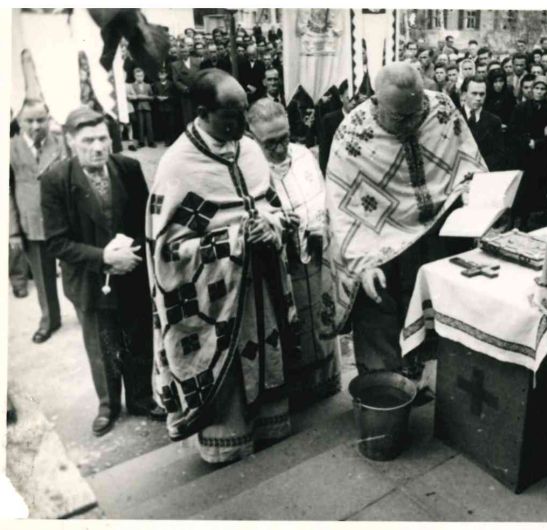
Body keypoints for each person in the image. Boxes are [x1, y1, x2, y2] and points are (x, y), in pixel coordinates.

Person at [147, 69, 295, 462]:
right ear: (202, 113)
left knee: (266, 348)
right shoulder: (178, 165)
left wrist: (272, 224)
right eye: (231, 117)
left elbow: (274, 205)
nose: (241, 125)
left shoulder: (249, 150)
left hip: (260, 282)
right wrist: (233, 241)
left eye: (244, 113)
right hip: (214, 299)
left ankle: (269, 426)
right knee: (226, 368)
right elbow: (168, 251)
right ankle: (228, 444)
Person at [322, 62, 486, 376]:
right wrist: (361, 262)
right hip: (380, 243)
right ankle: (384, 387)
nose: (411, 122)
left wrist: (473, 193)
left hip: (436, 233)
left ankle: (425, 378)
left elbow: (468, 162)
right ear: (376, 101)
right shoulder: (352, 133)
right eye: (400, 117)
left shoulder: (440, 109)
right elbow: (341, 206)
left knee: (436, 312)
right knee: (379, 310)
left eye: (416, 112)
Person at [40, 107, 164, 436]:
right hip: (89, 280)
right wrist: (104, 258)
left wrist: (131, 253)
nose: (98, 147)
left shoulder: (128, 168)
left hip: (132, 271)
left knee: (137, 336)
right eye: (88, 141)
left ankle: (141, 397)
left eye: (103, 138)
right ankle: (108, 404)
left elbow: (145, 221)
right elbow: (56, 242)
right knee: (102, 343)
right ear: (70, 141)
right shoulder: (56, 181)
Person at [246, 99, 342, 409]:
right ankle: (297, 394)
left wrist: (320, 225)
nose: (279, 148)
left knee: (320, 316)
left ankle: (325, 382)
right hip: (280, 264)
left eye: (284, 138)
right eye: (270, 143)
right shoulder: (248, 170)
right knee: (291, 324)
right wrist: (277, 225)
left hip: (316, 254)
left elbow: (324, 197)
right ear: (252, 137)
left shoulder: (303, 156)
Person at [9, 99, 67, 343]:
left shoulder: (61, 143)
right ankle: (50, 319)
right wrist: (12, 231)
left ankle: (87, 315)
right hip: (31, 221)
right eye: (29, 120)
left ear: (48, 118)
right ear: (19, 121)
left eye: (41, 120)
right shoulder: (9, 148)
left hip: (63, 220)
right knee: (43, 277)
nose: (36, 126)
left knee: (76, 274)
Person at [509, 74, 547, 224]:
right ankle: (514, 219)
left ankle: (530, 220)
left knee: (535, 188)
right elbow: (513, 130)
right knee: (519, 188)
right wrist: (526, 141)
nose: (539, 91)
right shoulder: (521, 108)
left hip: (541, 156)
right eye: (537, 88)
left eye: (543, 89)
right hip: (522, 155)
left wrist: (538, 143)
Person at [461, 76, 504, 171]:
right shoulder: (454, 117)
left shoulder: (494, 121)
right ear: (464, 94)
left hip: (484, 172)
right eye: (474, 93)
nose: (478, 98)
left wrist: (480, 168)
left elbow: (498, 154)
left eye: (482, 94)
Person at [171, 46, 201, 126]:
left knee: (198, 114)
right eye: (182, 52)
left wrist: (198, 87)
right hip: (185, 94)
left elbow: (202, 75)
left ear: (189, 52)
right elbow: (176, 80)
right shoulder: (175, 65)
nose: (184, 54)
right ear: (179, 54)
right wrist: (185, 88)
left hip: (197, 92)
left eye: (185, 51)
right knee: (187, 116)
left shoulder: (198, 61)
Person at [126, 67, 156, 148]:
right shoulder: (131, 85)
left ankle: (151, 141)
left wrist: (145, 97)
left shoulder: (148, 85)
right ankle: (141, 142)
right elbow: (130, 96)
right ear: (134, 76)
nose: (140, 77)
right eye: (138, 76)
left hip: (147, 107)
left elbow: (152, 97)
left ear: (144, 76)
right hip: (137, 107)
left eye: (141, 75)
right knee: (140, 125)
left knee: (149, 125)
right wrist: (137, 97)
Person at [153, 67, 178, 145]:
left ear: (166, 75)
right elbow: (153, 95)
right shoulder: (155, 84)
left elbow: (175, 95)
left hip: (170, 106)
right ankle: (167, 140)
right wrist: (157, 97)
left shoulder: (171, 84)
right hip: (161, 107)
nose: (161, 76)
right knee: (164, 124)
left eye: (163, 74)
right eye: (160, 74)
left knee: (171, 124)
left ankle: (173, 140)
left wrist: (168, 98)